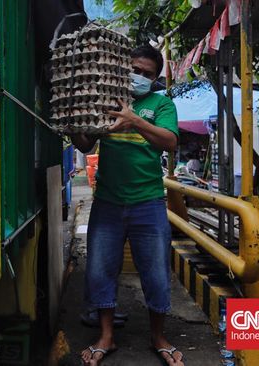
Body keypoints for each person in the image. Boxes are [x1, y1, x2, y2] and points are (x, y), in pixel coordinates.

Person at [69, 45, 184, 366]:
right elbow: (84, 143)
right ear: (123, 70)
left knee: (157, 272)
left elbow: (170, 141)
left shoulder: (161, 103)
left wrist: (135, 120)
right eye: (135, 70)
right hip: (107, 202)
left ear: (155, 77)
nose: (140, 77)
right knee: (100, 270)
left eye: (147, 73)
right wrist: (74, 122)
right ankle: (106, 336)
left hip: (148, 203)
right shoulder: (106, 101)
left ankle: (158, 336)